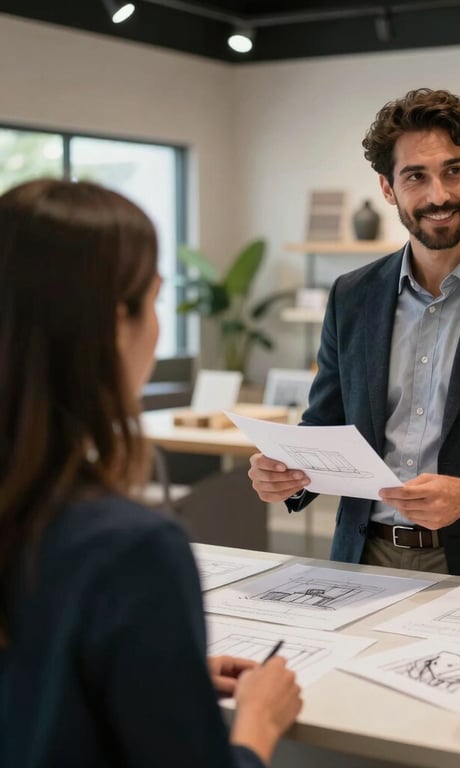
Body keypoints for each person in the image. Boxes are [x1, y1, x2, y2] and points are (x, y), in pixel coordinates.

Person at [0, 179, 302, 767]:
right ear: (118, 322)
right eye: (155, 300)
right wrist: (259, 723)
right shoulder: (131, 549)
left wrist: (156, 675)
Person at [249, 88, 460, 582]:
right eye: (415, 176)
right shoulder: (352, 296)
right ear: (388, 188)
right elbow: (325, 425)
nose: (438, 196)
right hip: (362, 559)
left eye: (453, 171)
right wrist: (288, 474)